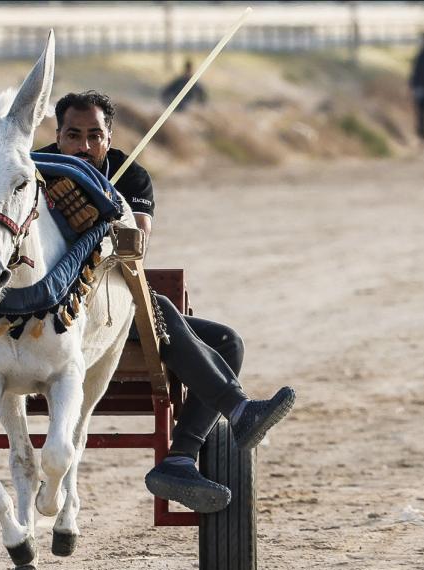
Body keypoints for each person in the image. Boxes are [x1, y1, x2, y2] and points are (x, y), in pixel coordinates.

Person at [36, 91, 295, 513]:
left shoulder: (130, 176)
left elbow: (135, 249)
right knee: (160, 309)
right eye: (73, 135)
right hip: (47, 316)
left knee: (228, 342)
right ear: (57, 135)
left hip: (111, 301)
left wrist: (105, 209)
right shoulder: (34, 171)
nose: (83, 146)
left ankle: (178, 460)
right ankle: (238, 408)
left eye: (94, 136)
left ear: (109, 136)